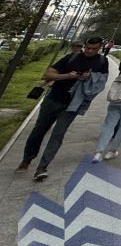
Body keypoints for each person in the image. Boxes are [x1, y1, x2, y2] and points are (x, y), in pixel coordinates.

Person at [18, 36, 109, 181]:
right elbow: (47, 74)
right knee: (39, 130)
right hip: (53, 99)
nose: (90, 51)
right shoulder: (71, 58)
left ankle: (42, 167)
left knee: (58, 135)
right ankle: (27, 158)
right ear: (84, 46)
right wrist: (68, 76)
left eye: (94, 49)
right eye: (88, 48)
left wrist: (90, 79)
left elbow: (100, 84)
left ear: (100, 48)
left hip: (72, 105)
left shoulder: (102, 62)